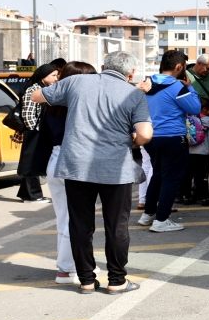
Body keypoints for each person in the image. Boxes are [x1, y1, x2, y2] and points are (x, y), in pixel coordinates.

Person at [31, 51, 153, 294]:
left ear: (102, 66)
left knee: (80, 224)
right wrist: (132, 141)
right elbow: (146, 134)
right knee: (116, 226)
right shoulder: (134, 93)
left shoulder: (76, 81)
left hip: (76, 165)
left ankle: (86, 279)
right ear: (130, 74)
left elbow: (36, 96)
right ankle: (117, 281)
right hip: (115, 169)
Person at [43, 62, 97, 284]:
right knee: (75, 219)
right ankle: (67, 269)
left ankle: (73, 266)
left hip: (54, 160)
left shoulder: (52, 104)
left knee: (64, 217)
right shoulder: (79, 105)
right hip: (73, 161)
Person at [138, 50, 201, 232]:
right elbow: (195, 108)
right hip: (173, 138)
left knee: (157, 175)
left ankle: (148, 214)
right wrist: (190, 87)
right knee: (171, 180)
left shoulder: (146, 84)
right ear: (179, 67)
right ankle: (162, 220)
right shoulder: (177, 87)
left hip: (151, 138)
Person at [16, 64, 58, 204]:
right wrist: (35, 130)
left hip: (39, 131)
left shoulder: (46, 89)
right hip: (34, 131)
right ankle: (32, 196)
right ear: (42, 76)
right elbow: (28, 114)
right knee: (31, 163)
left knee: (33, 163)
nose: (55, 78)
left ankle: (28, 193)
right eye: (52, 75)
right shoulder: (33, 90)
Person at [181, 98, 209, 206]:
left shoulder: (186, 118)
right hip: (203, 152)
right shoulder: (208, 120)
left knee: (188, 175)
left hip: (188, 151)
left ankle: (187, 197)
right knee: (202, 175)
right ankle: (204, 198)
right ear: (204, 109)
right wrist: (208, 145)